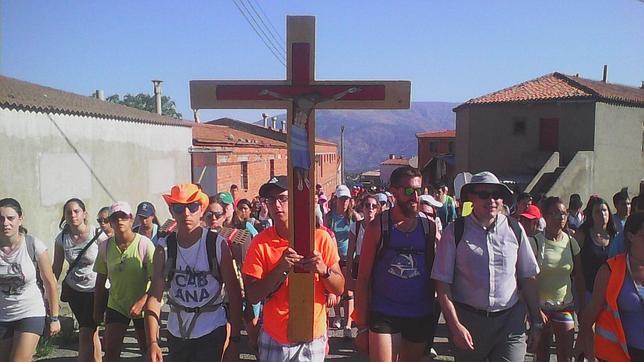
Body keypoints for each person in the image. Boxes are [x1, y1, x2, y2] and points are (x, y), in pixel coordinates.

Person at [431, 171, 542, 362]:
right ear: (471, 198)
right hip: (469, 321)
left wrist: (537, 319)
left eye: (497, 195)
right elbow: (442, 284)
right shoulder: (455, 232)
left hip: (510, 321)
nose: (491, 200)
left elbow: (528, 276)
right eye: (484, 194)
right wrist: (455, 325)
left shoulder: (515, 229)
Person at [242, 176, 344, 361]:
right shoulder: (260, 243)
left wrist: (323, 270)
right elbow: (252, 295)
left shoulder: (320, 238)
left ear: (296, 201)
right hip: (275, 336)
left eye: (282, 198)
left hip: (311, 335)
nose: (277, 205)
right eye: (271, 200)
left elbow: (339, 288)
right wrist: (281, 268)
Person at [145, 183, 243, 362]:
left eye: (192, 207)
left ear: (201, 209)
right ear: (171, 211)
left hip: (211, 330)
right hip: (177, 332)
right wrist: (152, 342)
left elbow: (235, 295)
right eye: (179, 207)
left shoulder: (216, 244)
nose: (186, 213)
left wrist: (234, 341)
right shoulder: (164, 247)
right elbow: (154, 297)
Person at [355, 166, 438, 362]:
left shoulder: (429, 227)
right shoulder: (378, 227)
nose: (415, 197)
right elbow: (364, 278)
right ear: (394, 192)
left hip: (419, 313)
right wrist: (361, 326)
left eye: (419, 190)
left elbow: (433, 272)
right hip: (384, 313)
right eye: (409, 191)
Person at [0, 198, 60, 362]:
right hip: (3, 314)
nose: (5, 223)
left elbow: (50, 282)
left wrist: (54, 318)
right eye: (1, 218)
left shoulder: (33, 245)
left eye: (10, 218)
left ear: (20, 219)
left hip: (30, 311)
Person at [93, 201, 155, 362]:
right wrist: (97, 308)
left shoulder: (144, 244)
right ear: (110, 222)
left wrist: (143, 302)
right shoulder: (105, 246)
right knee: (111, 350)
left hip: (143, 306)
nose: (119, 221)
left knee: (147, 350)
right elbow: (100, 280)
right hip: (117, 304)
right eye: (114, 218)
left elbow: (157, 280)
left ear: (130, 219)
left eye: (123, 217)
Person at [579, 212, 644, 361]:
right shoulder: (610, 269)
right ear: (630, 236)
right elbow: (587, 321)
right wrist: (590, 357)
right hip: (618, 355)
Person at [529, 197, 584, 362]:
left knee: (566, 356)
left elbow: (579, 276)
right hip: (541, 308)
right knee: (542, 355)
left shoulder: (571, 242)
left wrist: (582, 306)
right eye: (555, 213)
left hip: (564, 306)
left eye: (564, 213)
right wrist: (534, 310)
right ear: (545, 216)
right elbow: (529, 279)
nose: (561, 218)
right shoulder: (535, 243)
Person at [52, 198, 103, 362]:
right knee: (91, 332)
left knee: (85, 332)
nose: (73, 215)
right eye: (69, 212)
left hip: (95, 290)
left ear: (84, 214)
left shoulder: (97, 234)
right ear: (64, 216)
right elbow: (56, 268)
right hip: (75, 291)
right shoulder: (61, 239)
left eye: (76, 211)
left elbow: (109, 263)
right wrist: (49, 291)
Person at [324, 185, 355, 332]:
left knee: (348, 291)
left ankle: (348, 322)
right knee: (335, 289)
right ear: (336, 200)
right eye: (341, 199)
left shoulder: (353, 217)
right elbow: (324, 234)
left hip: (349, 256)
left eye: (346, 199)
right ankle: (337, 316)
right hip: (333, 257)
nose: (344, 202)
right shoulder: (329, 217)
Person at [576, 197, 617, 300]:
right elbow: (577, 267)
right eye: (598, 211)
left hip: (612, 291)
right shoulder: (583, 235)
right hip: (589, 292)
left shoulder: (615, 236)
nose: (602, 214)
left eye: (604, 210)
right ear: (591, 215)